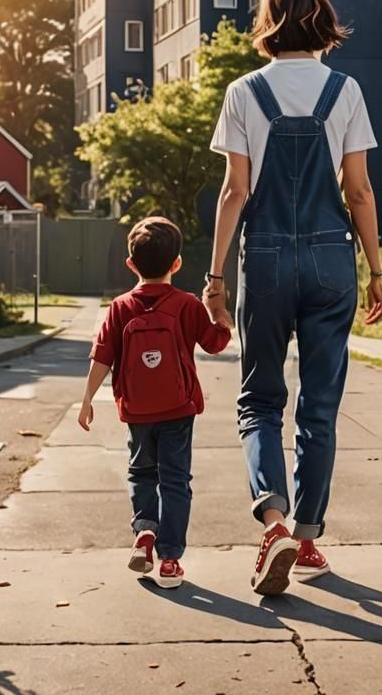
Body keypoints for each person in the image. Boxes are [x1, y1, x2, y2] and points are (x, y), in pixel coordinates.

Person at [204, 0, 382, 596]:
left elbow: (235, 191)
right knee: (320, 407)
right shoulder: (347, 90)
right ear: (322, 20)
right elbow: (357, 190)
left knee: (259, 400)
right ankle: (306, 539)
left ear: (269, 21)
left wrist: (215, 275)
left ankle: (273, 521)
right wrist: (377, 267)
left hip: (269, 257)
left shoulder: (243, 91)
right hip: (333, 262)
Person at [79, 216, 232, 589]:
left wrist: (86, 399)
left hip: (137, 410)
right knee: (176, 480)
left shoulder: (119, 307)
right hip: (178, 409)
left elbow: (102, 356)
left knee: (141, 472)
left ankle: (145, 531)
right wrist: (221, 316)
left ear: (131, 264)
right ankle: (169, 559)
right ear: (177, 264)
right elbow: (214, 343)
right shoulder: (186, 305)